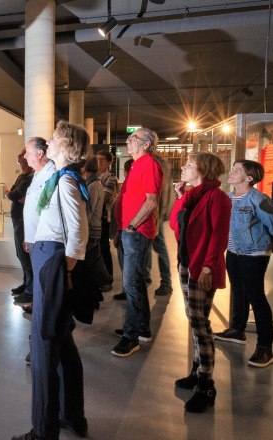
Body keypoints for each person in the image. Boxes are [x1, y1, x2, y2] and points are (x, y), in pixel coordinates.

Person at [13, 121, 88, 440]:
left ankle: (43, 431)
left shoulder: (66, 181)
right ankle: (71, 415)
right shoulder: (59, 176)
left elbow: (78, 233)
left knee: (43, 345)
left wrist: (65, 271)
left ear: (66, 147)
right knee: (62, 340)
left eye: (55, 139)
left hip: (54, 261)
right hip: (50, 256)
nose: (50, 142)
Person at [169, 152, 231, 413]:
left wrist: (208, 266)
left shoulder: (217, 197)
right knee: (195, 319)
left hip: (201, 267)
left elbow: (219, 235)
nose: (184, 168)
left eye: (189, 165)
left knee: (199, 324)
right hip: (187, 264)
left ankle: (206, 384)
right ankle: (197, 370)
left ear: (203, 170)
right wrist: (180, 197)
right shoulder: (192, 196)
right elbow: (175, 226)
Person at [215, 160, 273, 368]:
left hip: (254, 254)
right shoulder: (228, 198)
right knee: (238, 291)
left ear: (249, 178)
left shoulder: (259, 200)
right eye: (233, 169)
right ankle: (237, 330)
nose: (231, 172)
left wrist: (270, 244)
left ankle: (265, 347)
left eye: (237, 170)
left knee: (256, 297)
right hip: (233, 251)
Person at [111, 128, 163, 358]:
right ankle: (141, 328)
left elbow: (151, 201)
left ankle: (131, 336)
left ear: (146, 144)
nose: (128, 141)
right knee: (136, 282)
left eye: (134, 138)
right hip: (128, 230)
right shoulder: (136, 165)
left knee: (131, 283)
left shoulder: (149, 164)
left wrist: (132, 225)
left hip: (137, 232)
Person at [19, 137, 55, 310]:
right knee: (39, 277)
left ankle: (45, 313)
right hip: (35, 238)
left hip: (44, 239)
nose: (25, 156)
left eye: (28, 152)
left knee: (45, 279)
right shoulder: (38, 174)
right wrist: (28, 237)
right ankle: (39, 308)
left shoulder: (51, 175)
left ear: (40, 153)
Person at [7, 150, 35, 302]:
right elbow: (14, 194)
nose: (21, 165)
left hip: (22, 219)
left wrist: (12, 195)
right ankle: (26, 284)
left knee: (25, 255)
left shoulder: (30, 178)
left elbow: (13, 194)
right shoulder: (22, 177)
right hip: (18, 218)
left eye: (21, 162)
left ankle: (30, 290)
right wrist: (13, 195)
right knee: (21, 254)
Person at [81, 157, 112, 290]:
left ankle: (105, 282)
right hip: (93, 227)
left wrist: (82, 227)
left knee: (93, 258)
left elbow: (89, 210)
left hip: (92, 228)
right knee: (94, 258)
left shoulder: (93, 185)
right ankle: (104, 282)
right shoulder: (93, 183)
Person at [146, 153, 174, 295]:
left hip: (154, 214)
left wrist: (158, 215)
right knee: (149, 245)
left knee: (158, 246)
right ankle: (147, 277)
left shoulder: (156, 164)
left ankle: (166, 282)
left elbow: (160, 192)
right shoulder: (159, 163)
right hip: (155, 213)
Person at [96, 150, 118, 291]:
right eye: (97, 159)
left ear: (109, 162)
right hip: (94, 218)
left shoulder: (111, 178)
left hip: (104, 218)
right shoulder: (94, 176)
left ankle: (108, 279)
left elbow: (104, 197)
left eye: (102, 160)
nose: (98, 162)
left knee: (104, 248)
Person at [111, 158, 133, 301]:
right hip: (123, 229)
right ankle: (126, 290)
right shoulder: (128, 183)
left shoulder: (131, 184)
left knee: (127, 265)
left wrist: (119, 230)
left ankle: (128, 292)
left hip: (126, 229)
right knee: (126, 264)